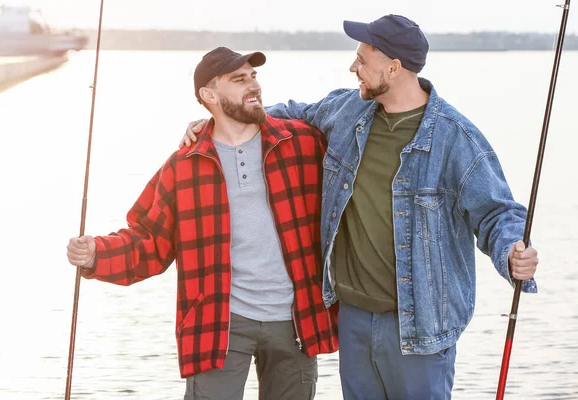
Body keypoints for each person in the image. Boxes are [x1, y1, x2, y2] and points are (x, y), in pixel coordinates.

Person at [179, 15, 539, 400]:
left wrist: (511, 252)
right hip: (352, 320)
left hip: (419, 327)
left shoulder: (456, 137)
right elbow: (287, 114)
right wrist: (216, 122)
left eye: (362, 59)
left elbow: (498, 212)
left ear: (393, 67)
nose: (354, 67)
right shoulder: (348, 110)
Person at [66, 46, 338, 400]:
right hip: (219, 324)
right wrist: (95, 255)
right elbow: (149, 241)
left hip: (298, 321)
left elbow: (354, 132)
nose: (253, 85)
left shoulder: (303, 143)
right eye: (239, 79)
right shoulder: (184, 165)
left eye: (253, 76)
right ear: (209, 95)